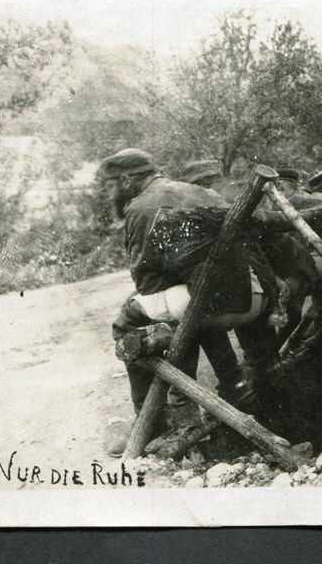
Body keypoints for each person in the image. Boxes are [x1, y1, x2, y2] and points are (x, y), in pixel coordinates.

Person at [99, 148, 251, 455]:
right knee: (191, 310)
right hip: (240, 295)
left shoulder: (141, 207)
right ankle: (234, 390)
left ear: (127, 180)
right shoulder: (200, 191)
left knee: (127, 325)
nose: (109, 194)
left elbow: (146, 282)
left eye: (111, 186)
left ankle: (154, 424)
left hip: (205, 301)